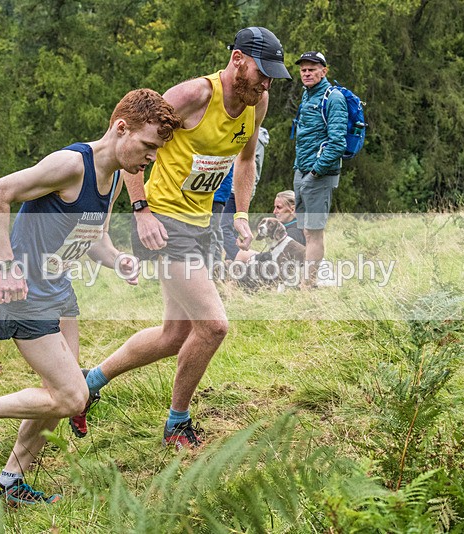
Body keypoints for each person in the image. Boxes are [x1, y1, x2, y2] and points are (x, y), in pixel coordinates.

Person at [0, 88, 181, 505]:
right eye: (147, 146)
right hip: (24, 293)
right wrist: (8, 264)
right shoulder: (71, 164)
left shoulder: (113, 179)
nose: (151, 158)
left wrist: (117, 260)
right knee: (73, 396)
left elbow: (93, 237)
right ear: (120, 128)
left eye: (156, 150)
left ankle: (10, 483)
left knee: (56, 396)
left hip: (58, 291)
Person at [69, 27, 291, 450]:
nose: (267, 84)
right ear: (239, 59)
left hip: (201, 224)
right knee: (213, 326)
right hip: (164, 225)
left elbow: (244, 160)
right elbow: (128, 144)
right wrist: (141, 210)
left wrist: (241, 213)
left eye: (271, 78)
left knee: (175, 334)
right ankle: (177, 423)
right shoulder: (192, 97)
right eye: (263, 73)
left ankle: (88, 382)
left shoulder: (256, 102)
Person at [292, 51, 347, 288]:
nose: (306, 73)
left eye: (312, 69)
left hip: (319, 174)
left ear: (324, 71)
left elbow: (337, 143)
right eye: (303, 69)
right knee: (305, 230)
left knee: (314, 232)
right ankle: (307, 279)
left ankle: (308, 284)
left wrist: (315, 172)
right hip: (302, 170)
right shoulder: (307, 95)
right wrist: (300, 169)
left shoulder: (332, 98)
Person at [220, 126, 269, 261]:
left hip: (235, 191)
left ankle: (256, 259)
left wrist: (236, 192)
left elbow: (247, 166)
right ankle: (233, 273)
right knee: (229, 230)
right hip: (230, 189)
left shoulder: (253, 135)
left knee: (223, 229)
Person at [232, 190, 305, 263]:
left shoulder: (294, 232)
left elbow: (283, 257)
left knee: (243, 254)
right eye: (274, 207)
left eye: (279, 207)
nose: (274, 211)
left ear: (292, 209)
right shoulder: (293, 224)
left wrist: (255, 258)